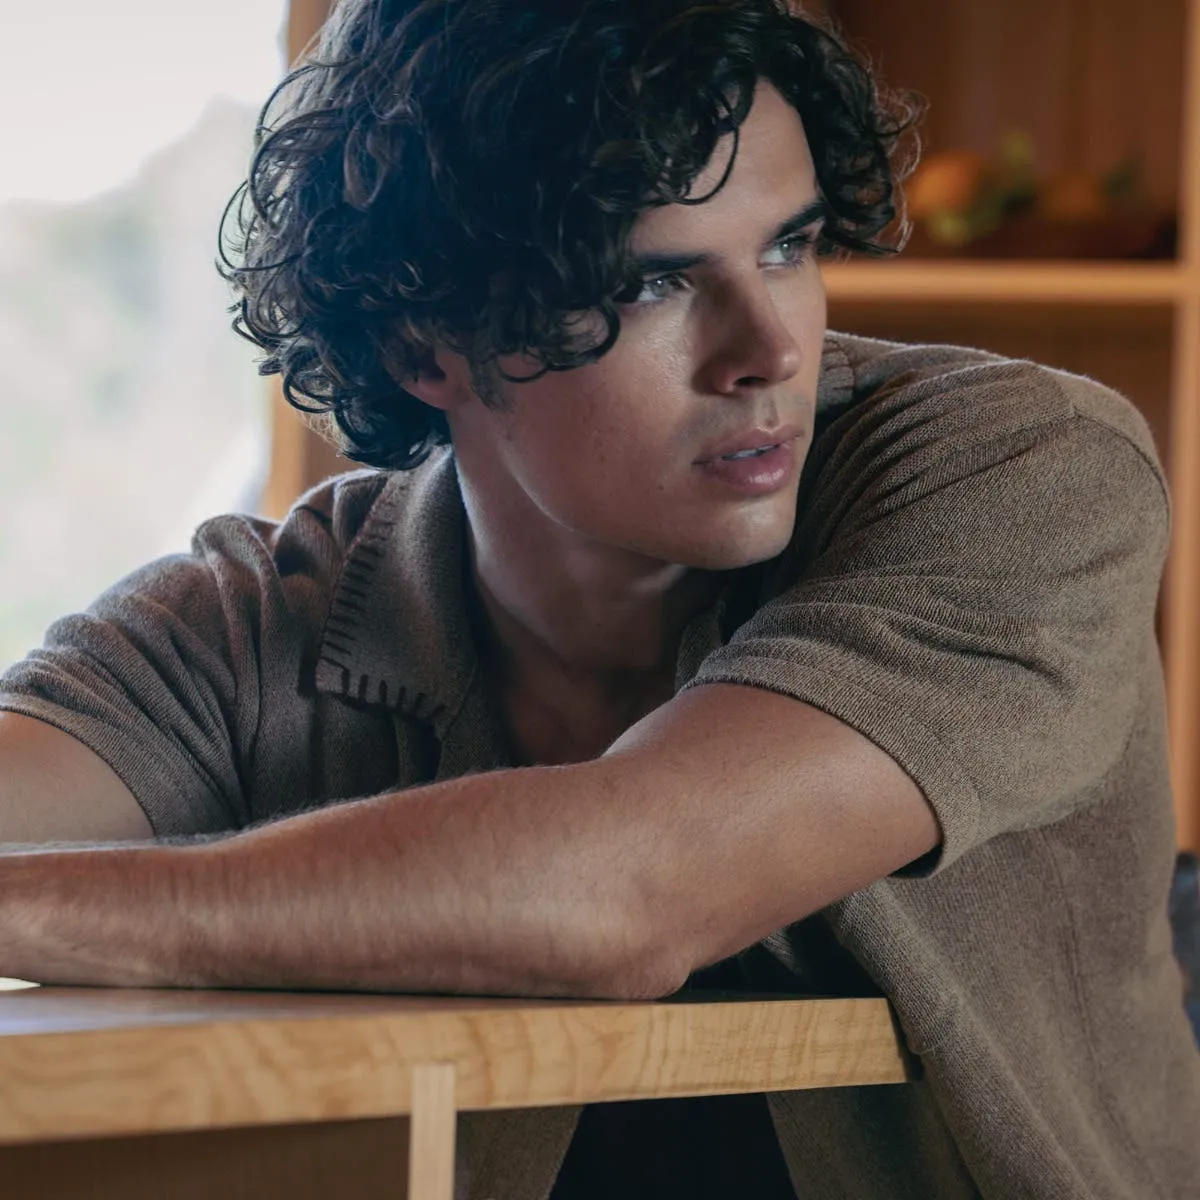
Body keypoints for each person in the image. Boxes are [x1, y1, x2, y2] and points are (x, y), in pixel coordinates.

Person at [1, 0, 1197, 1195]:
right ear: (428, 347)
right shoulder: (263, 614)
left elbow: (626, 890)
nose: (770, 350)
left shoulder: (1026, 471)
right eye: (653, 284)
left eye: (788, 248)